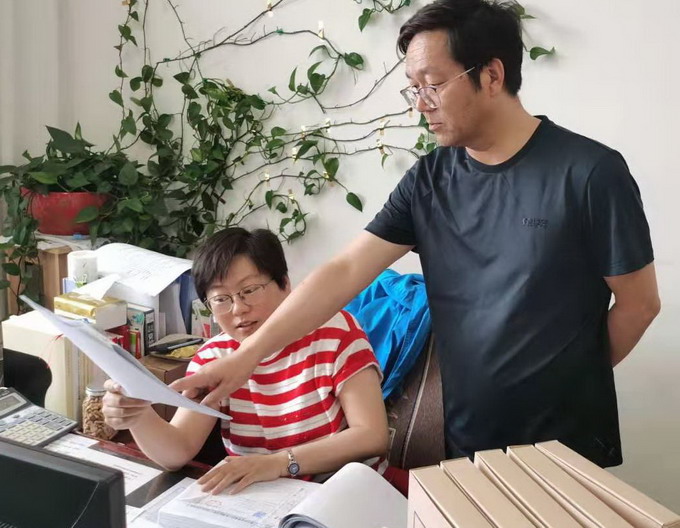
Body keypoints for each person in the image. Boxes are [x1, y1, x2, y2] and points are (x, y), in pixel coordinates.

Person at [171, 0, 660, 468]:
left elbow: (639, 305)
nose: (420, 105)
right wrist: (247, 357)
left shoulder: (589, 173)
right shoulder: (430, 180)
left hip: (564, 443)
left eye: (433, 85)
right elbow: (345, 270)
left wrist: (568, 386)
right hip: (466, 436)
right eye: (413, 88)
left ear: (492, 75)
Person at [103, 227, 388, 494]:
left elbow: (371, 435)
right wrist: (137, 415)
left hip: (338, 491)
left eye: (249, 290)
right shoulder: (214, 357)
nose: (238, 308)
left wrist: (278, 463)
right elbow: (177, 452)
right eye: (221, 299)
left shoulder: (335, 332)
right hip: (255, 499)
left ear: (285, 285)